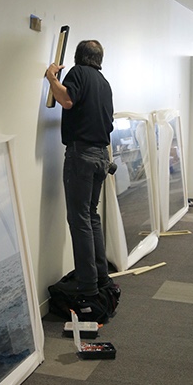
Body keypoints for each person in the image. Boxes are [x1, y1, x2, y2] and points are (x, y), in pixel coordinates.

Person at [45, 38, 116, 324]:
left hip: (81, 156)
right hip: (101, 156)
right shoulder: (104, 82)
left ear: (78, 57)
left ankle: (87, 286)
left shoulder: (77, 73)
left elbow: (67, 99)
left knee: (80, 220)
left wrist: (51, 77)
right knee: (91, 216)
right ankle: (99, 277)